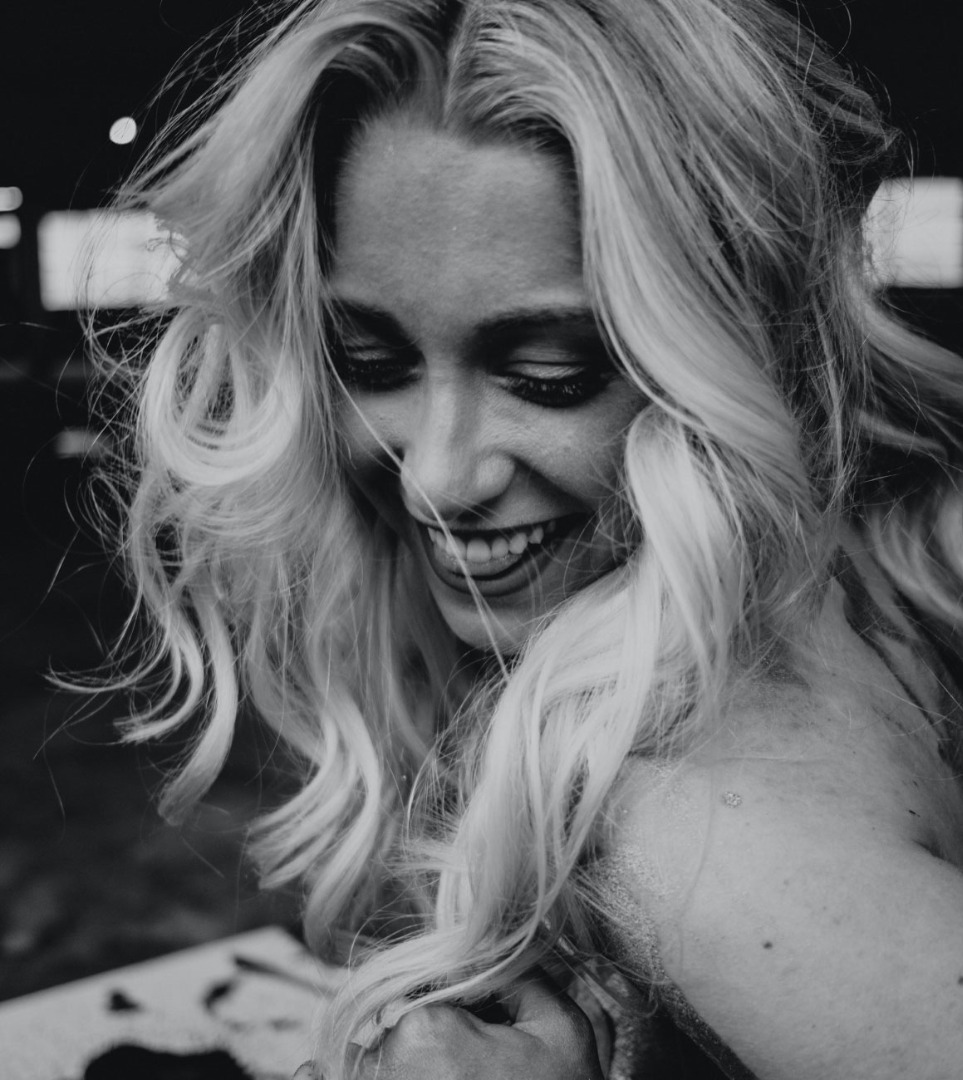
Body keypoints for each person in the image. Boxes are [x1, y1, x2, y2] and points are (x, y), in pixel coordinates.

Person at [98, 0, 963, 1076]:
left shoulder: (708, 848)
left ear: (742, 350)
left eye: (547, 374)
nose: (435, 477)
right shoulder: (860, 582)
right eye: (370, 363)